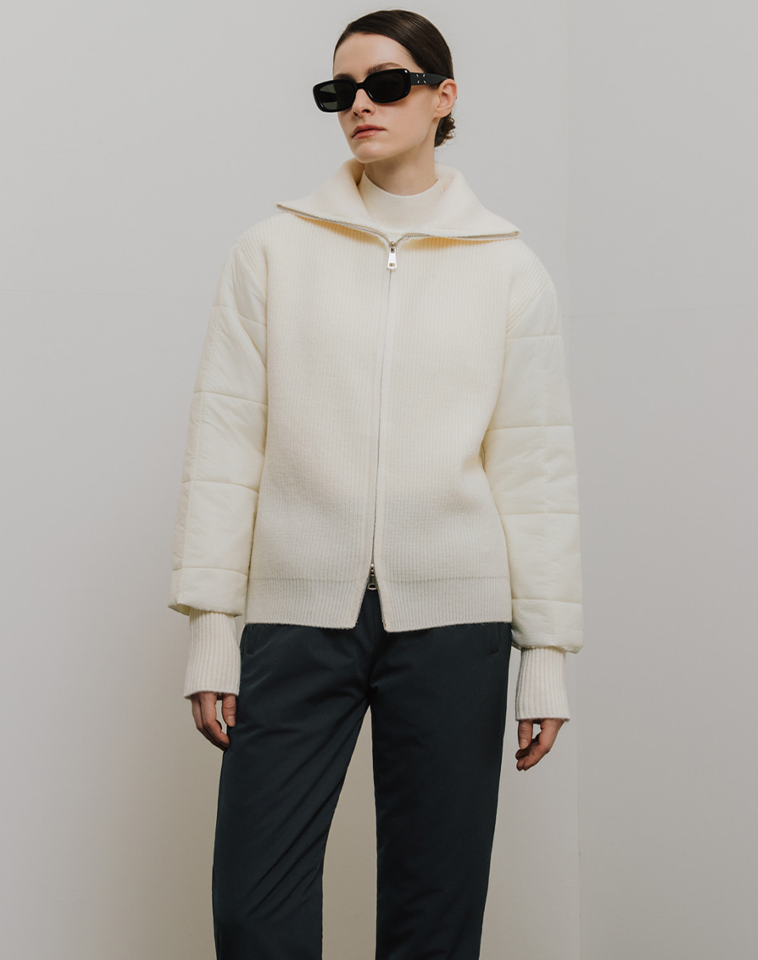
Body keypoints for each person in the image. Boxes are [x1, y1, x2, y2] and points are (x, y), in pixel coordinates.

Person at [168, 9, 583, 959]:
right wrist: (211, 627)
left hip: (456, 622)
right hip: (294, 612)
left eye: (387, 84)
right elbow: (226, 442)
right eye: (340, 91)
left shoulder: (510, 271)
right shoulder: (271, 252)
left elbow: (535, 465)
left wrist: (547, 650)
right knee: (254, 907)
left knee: (436, 912)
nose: (360, 104)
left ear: (443, 98)